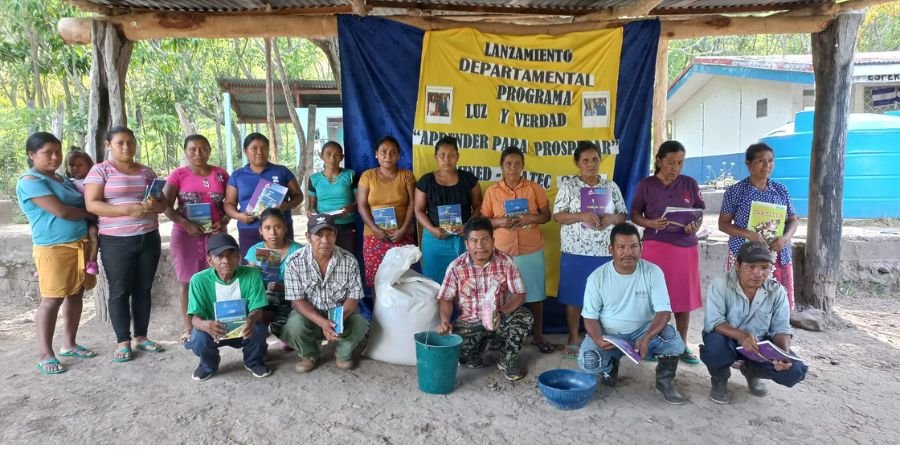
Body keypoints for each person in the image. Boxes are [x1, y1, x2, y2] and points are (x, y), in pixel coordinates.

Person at [577, 223, 687, 405]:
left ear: (641, 248)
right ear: (611, 249)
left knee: (674, 343)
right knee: (589, 361)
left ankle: (664, 381)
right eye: (621, 247)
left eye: (633, 246)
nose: (628, 252)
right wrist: (597, 339)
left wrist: (647, 337)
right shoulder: (597, 277)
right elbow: (589, 316)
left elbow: (664, 312)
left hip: (644, 331)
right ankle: (610, 367)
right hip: (609, 333)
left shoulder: (653, 272)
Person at [84, 126, 167, 362]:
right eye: (120, 143)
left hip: (149, 237)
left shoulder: (147, 172)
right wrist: (126, 210)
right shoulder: (100, 171)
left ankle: (142, 336)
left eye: (130, 142)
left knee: (143, 289)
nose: (126, 147)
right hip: (115, 241)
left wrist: (154, 205)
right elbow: (92, 204)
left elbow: (162, 205)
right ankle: (123, 340)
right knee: (120, 291)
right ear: (108, 145)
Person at [17, 132, 98, 374]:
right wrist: (88, 213)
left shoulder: (61, 178)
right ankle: (45, 353)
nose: (55, 157)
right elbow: (61, 211)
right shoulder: (30, 181)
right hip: (53, 248)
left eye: (57, 152)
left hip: (79, 244)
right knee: (51, 300)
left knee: (76, 293)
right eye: (47, 153)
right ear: (32, 155)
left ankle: (69, 343)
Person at [700, 241, 808, 404]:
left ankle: (752, 372)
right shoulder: (721, 284)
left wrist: (782, 356)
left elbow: (781, 329)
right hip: (727, 340)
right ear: (737, 265)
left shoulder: (776, 291)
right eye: (751, 267)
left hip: (760, 346)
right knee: (714, 346)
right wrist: (742, 336)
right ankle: (720, 379)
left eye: (764, 267)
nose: (758, 273)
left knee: (795, 370)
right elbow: (714, 322)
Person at [630, 140, 706, 365]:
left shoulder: (690, 184)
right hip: (655, 246)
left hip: (685, 247)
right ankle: (649, 343)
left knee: (683, 300)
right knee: (653, 300)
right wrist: (650, 222)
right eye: (671, 163)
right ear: (659, 160)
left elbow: (699, 213)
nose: (675, 168)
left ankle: (681, 345)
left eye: (680, 163)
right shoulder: (646, 185)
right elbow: (635, 215)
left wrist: (696, 226)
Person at [552, 141, 627, 359]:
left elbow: (623, 215)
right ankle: (574, 337)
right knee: (575, 296)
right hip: (575, 250)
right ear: (577, 163)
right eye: (585, 160)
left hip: (604, 251)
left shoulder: (610, 186)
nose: (591, 164)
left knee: (604, 296)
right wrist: (581, 215)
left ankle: (602, 336)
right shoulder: (568, 187)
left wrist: (611, 218)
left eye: (595, 159)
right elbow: (557, 216)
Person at [435, 218, 534, 381]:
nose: (480, 246)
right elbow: (445, 298)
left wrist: (502, 313)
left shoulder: (506, 262)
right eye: (474, 241)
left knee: (524, 316)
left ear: (493, 241)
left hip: (499, 320)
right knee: (463, 358)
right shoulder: (456, 267)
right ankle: (477, 352)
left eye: (485, 240)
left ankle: (507, 358)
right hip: (470, 323)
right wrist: (445, 320)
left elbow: (520, 294)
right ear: (466, 244)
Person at [481, 146, 553, 353]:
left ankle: (538, 335)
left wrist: (530, 218)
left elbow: (546, 215)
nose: (513, 168)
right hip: (503, 252)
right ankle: (498, 335)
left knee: (536, 295)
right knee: (500, 296)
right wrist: (500, 221)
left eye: (517, 164)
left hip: (531, 250)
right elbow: (484, 220)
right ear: (501, 166)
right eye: (508, 164)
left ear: (523, 166)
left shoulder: (533, 188)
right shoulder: (493, 191)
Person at [162, 134, 231, 344]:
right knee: (187, 281)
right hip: (186, 236)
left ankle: (218, 323)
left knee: (218, 278)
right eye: (193, 149)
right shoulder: (178, 175)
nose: (198, 153)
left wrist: (225, 219)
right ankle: (189, 326)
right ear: (185, 151)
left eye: (203, 149)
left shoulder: (221, 174)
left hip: (216, 236)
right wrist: (186, 224)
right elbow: (165, 206)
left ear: (210, 150)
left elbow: (230, 204)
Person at [281, 214, 369, 372]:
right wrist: (322, 323)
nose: (325, 240)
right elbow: (297, 301)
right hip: (310, 313)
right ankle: (309, 355)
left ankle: (342, 353)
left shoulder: (349, 260)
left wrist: (337, 320)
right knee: (293, 326)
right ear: (308, 237)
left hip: (338, 312)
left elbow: (353, 297)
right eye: (319, 235)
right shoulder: (294, 261)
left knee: (360, 324)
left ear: (336, 235)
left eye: (330, 234)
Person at [718, 142, 799, 309]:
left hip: (777, 254)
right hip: (746, 255)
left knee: (776, 305)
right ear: (748, 163)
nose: (767, 165)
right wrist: (748, 234)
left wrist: (785, 238)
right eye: (761, 161)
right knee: (743, 304)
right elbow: (723, 224)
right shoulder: (735, 191)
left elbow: (793, 219)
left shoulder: (780, 190)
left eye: (770, 161)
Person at [185, 233, 272, 381]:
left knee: (258, 327)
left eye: (230, 255)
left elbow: (258, 309)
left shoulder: (252, 275)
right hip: (213, 332)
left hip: (244, 329)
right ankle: (208, 364)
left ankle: (253, 361)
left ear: (238, 256)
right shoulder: (198, 281)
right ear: (210, 260)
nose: (226, 261)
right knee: (198, 336)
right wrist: (205, 325)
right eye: (219, 256)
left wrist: (250, 320)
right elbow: (194, 318)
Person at [224, 132, 303, 262]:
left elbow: (298, 196)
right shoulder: (237, 176)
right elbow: (229, 204)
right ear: (245, 151)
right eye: (254, 148)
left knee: (282, 268)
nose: (259, 152)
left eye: (264, 148)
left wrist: (286, 205)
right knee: (254, 269)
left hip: (278, 230)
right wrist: (239, 216)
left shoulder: (282, 171)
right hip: (250, 230)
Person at [414, 136, 483, 284]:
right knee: (434, 285)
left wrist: (467, 227)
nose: (447, 159)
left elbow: (479, 207)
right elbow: (418, 210)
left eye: (451, 155)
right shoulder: (426, 181)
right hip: (435, 240)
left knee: (465, 282)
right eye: (442, 155)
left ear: (458, 157)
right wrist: (432, 229)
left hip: (463, 238)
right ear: (436, 157)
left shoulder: (469, 180)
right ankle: (440, 309)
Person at [356, 136, 417, 288]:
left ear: (398, 155)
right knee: (377, 280)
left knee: (403, 280)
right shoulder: (367, 176)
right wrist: (376, 230)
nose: (388, 156)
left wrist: (403, 230)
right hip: (374, 235)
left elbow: (412, 204)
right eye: (383, 152)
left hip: (402, 235)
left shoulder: (407, 176)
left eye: (392, 152)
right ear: (376, 153)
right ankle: (377, 312)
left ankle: (402, 312)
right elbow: (362, 205)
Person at [243, 208, 303, 342]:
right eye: (267, 228)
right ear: (260, 230)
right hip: (265, 299)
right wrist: (254, 274)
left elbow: (306, 283)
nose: (273, 233)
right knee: (265, 298)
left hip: (292, 297)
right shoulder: (255, 251)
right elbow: (249, 285)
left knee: (288, 337)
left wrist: (284, 288)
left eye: (278, 227)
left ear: (285, 228)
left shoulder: (298, 251)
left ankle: (283, 330)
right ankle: (261, 334)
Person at [306, 141, 358, 254]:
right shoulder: (314, 179)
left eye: (337, 155)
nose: (332, 158)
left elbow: (359, 202)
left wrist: (350, 208)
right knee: (324, 257)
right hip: (323, 226)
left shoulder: (351, 175)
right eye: (328, 154)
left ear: (342, 157)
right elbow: (312, 205)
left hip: (346, 225)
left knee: (347, 258)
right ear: (321, 156)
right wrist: (310, 211)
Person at [64, 148, 99, 276]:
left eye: (80, 165)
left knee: (93, 233)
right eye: (71, 165)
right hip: (74, 217)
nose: (75, 168)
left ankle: (93, 262)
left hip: (91, 217)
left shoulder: (94, 181)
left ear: (89, 165)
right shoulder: (67, 183)